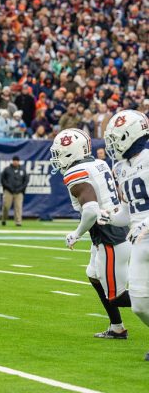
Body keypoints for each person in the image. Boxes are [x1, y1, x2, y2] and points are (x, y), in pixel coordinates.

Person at [50, 128, 132, 340]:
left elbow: (91, 210)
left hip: (110, 236)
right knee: (93, 275)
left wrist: (76, 233)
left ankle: (120, 325)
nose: (57, 158)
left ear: (71, 152)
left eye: (59, 153)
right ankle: (117, 327)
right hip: (110, 231)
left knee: (117, 296)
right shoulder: (99, 163)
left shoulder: (75, 174)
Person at [101, 110, 149, 357]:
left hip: (145, 232)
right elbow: (129, 211)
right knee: (140, 304)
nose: (111, 144)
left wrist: (146, 223)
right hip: (139, 240)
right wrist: (109, 215)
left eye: (116, 138)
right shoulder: (121, 167)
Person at [1, 156, 29, 227]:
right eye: (14, 160)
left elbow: (26, 181)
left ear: (19, 161)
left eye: (17, 160)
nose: (15, 162)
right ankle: (4, 219)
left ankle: (18, 222)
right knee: (6, 206)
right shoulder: (7, 169)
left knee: (18, 207)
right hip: (8, 191)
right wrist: (8, 187)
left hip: (19, 192)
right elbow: (3, 180)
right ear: (12, 161)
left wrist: (21, 189)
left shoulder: (22, 170)